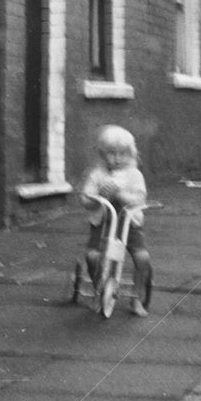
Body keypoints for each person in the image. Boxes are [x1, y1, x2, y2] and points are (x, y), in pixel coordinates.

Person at [79, 125, 151, 316]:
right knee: (93, 256)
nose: (117, 159)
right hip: (104, 224)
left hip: (129, 224)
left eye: (123, 154)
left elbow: (140, 198)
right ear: (102, 155)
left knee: (142, 257)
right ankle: (98, 291)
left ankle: (136, 298)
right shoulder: (97, 174)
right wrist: (96, 198)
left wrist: (120, 194)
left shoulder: (135, 175)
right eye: (111, 154)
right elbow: (85, 199)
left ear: (131, 154)